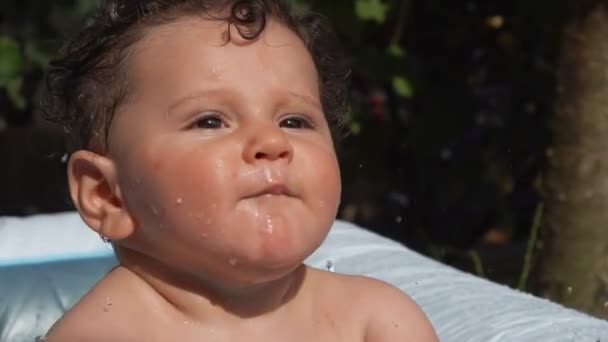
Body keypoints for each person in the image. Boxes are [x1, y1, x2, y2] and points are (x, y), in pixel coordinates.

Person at [42, 0, 439, 340]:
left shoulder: (376, 323)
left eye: (294, 122)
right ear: (108, 195)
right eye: (211, 121)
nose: (273, 143)